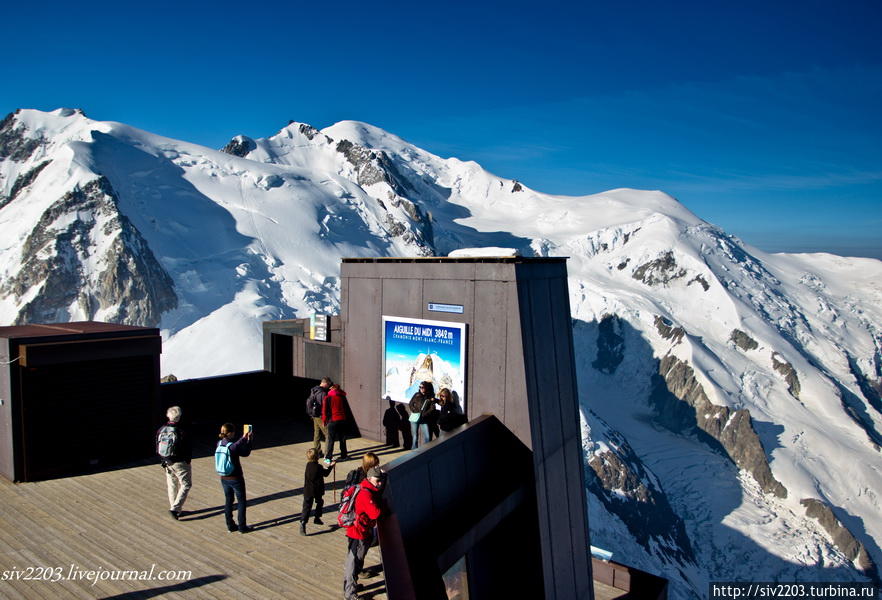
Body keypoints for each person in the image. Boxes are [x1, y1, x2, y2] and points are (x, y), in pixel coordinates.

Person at [343, 466, 385, 600]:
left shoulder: (365, 487)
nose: (379, 483)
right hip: (358, 532)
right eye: (377, 481)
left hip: (360, 530)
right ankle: (349, 594)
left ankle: (352, 587)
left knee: (357, 559)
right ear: (369, 478)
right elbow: (375, 513)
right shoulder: (366, 494)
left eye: (381, 481)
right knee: (353, 562)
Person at [156, 406, 192, 520]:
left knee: (172, 484)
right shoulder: (181, 431)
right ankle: (175, 509)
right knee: (186, 484)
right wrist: (187, 460)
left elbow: (157, 445)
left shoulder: (161, 429)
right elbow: (187, 448)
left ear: (168, 416)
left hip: (166, 461)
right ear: (179, 417)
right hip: (180, 462)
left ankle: (175, 508)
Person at [217, 422, 253, 533]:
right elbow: (245, 452)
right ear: (231, 433)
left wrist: (243, 439)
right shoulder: (232, 447)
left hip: (224, 477)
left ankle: (230, 525)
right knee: (241, 501)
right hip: (235, 477)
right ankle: (242, 527)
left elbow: (237, 444)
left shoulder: (219, 443)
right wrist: (248, 440)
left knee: (228, 501)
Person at [301, 448, 335, 536]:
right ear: (317, 457)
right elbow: (326, 473)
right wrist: (331, 466)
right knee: (319, 502)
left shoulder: (308, 465)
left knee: (306, 507)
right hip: (317, 490)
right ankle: (317, 517)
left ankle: (303, 523)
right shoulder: (318, 467)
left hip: (308, 490)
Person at [323, 384, 350, 460]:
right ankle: (344, 456)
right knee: (342, 439)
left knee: (331, 440)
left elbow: (324, 411)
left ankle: (328, 458)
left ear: (332, 389)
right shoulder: (342, 396)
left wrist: (324, 421)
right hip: (342, 420)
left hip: (332, 421)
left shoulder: (327, 398)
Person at [307, 377, 332, 454]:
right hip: (320, 416)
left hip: (314, 415)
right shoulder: (323, 393)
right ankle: (327, 453)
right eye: (328, 385)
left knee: (317, 433)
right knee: (328, 434)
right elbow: (324, 407)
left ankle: (317, 451)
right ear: (325, 383)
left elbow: (309, 402)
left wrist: (311, 413)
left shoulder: (314, 390)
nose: (328, 387)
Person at [408, 381, 435, 448]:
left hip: (423, 418)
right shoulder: (417, 394)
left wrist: (424, 414)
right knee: (415, 437)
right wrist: (414, 411)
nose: (421, 389)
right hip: (415, 417)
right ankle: (413, 453)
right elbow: (410, 403)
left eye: (423, 387)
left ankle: (425, 451)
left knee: (427, 437)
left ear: (426, 388)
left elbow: (432, 408)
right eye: (420, 387)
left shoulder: (429, 397)